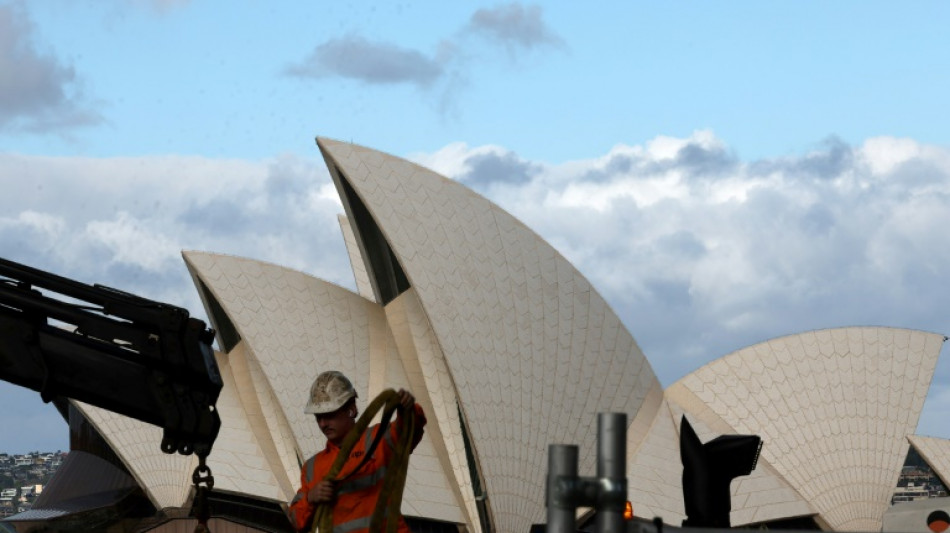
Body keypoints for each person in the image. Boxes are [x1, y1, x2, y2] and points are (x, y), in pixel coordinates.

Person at [288, 370, 426, 533]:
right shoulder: (312, 467)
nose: (323, 423)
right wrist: (310, 498)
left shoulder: (379, 440)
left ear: (351, 410)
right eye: (319, 417)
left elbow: (409, 430)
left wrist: (408, 410)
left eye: (329, 414)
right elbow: (295, 521)